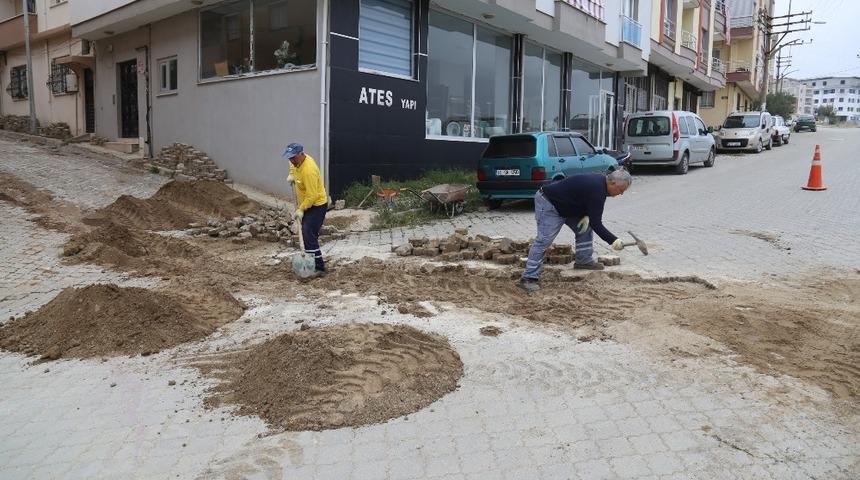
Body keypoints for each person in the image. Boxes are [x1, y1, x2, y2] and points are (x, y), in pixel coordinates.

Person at [518, 169, 632, 293]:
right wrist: (613, 240)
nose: (621, 194)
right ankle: (528, 278)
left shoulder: (601, 185)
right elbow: (596, 223)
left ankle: (583, 260)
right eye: (621, 190)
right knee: (544, 240)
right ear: (613, 183)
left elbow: (588, 205)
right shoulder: (597, 189)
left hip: (567, 206)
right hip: (550, 203)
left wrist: (586, 215)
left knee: (584, 228)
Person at [284, 143, 329, 275]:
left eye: (293, 157)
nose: (291, 160)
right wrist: (291, 174)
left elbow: (312, 196)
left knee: (309, 234)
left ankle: (319, 268)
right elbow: (292, 166)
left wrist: (301, 209)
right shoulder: (296, 162)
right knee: (307, 234)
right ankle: (311, 262)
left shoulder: (309, 170)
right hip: (307, 203)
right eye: (289, 158)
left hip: (317, 205)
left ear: (301, 154)